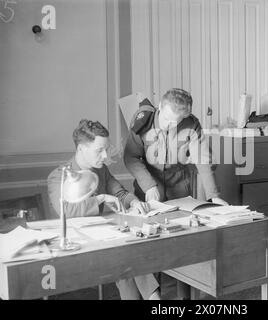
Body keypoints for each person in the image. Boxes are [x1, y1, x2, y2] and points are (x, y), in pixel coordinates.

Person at [123, 88, 228, 298]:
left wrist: (214, 195)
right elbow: (131, 157)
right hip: (149, 189)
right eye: (169, 119)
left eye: (178, 121)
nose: (173, 125)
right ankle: (154, 296)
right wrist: (148, 185)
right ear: (160, 107)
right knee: (149, 247)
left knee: (181, 247)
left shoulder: (191, 123)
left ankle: (182, 299)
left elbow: (202, 159)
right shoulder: (143, 121)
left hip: (180, 189)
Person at [47, 119, 161, 300]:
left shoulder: (101, 170)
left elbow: (120, 192)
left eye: (106, 149)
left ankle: (153, 298)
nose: (105, 155)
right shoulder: (59, 177)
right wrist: (100, 198)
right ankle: (154, 298)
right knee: (127, 254)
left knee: (126, 254)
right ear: (81, 149)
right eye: (99, 150)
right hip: (77, 246)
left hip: (106, 240)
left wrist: (133, 202)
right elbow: (66, 211)